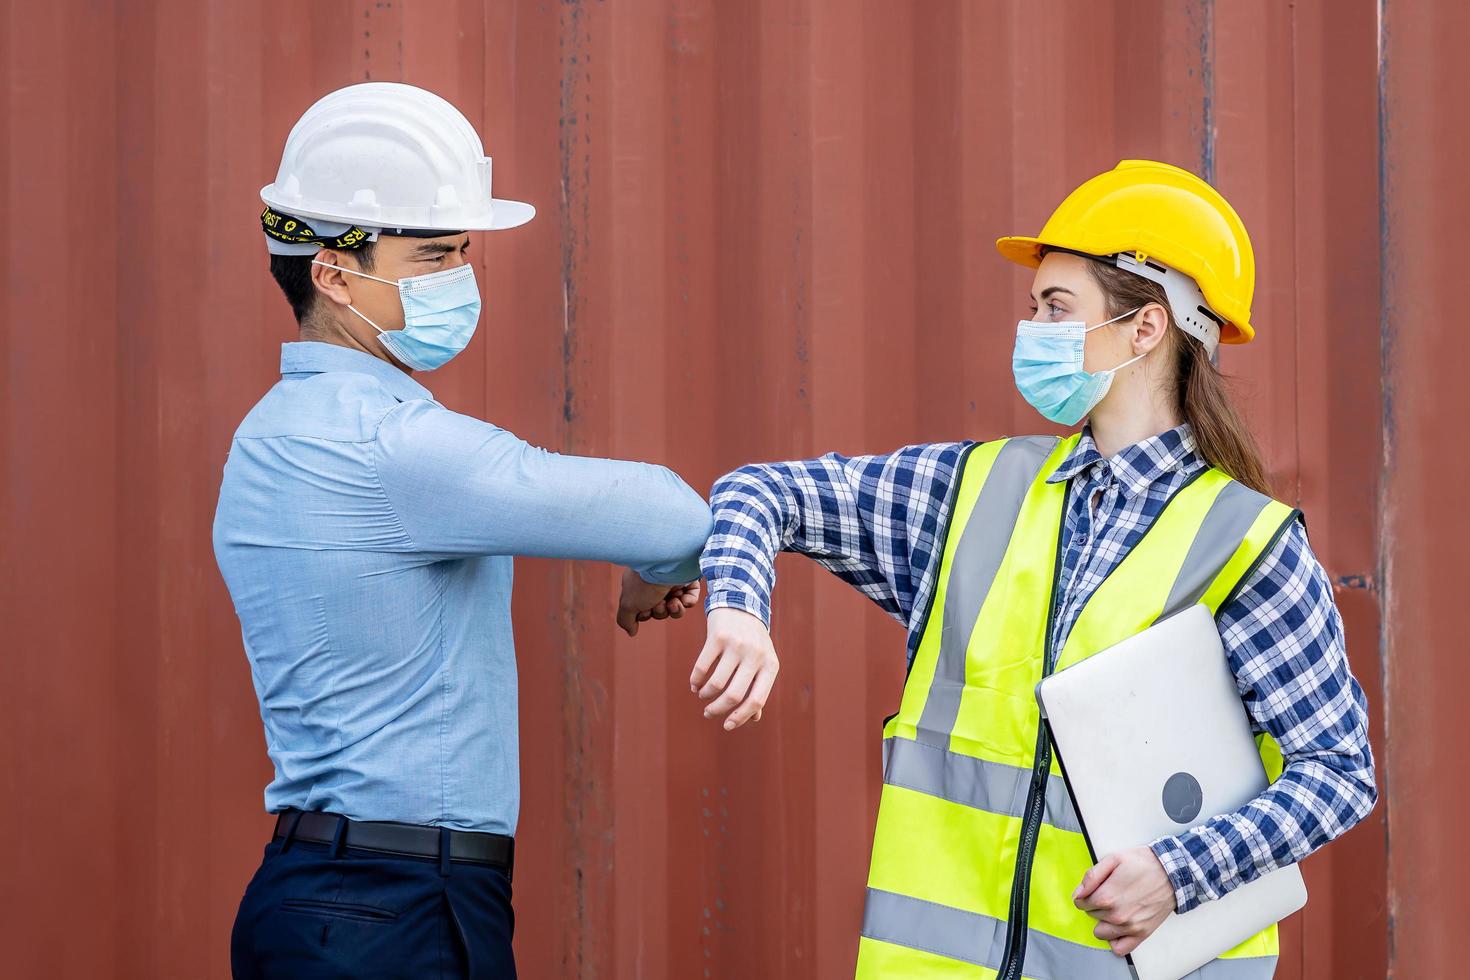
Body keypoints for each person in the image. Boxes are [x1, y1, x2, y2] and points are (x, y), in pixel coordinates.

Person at [690, 160, 1376, 978]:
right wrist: (737, 605)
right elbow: (763, 492)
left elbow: (1338, 773)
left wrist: (1176, 873)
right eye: (1034, 309)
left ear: (1146, 329)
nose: (1033, 331)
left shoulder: (1248, 543)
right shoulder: (971, 491)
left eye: (1057, 308)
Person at [215, 82, 712, 979]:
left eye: (460, 254)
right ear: (333, 273)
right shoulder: (396, 448)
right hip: (400, 904)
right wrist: (655, 564)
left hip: (311, 897)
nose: (459, 279)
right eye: (432, 255)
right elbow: (674, 512)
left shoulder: (268, 435)